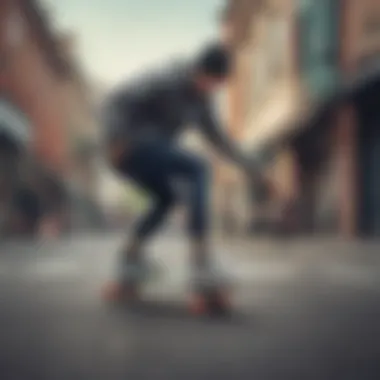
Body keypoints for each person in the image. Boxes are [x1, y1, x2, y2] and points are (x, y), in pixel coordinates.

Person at [102, 42, 274, 310]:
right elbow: (117, 99)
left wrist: (253, 166)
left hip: (149, 153)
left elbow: (220, 140)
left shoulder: (201, 103)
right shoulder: (168, 78)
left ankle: (129, 257)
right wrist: (115, 138)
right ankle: (200, 260)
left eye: (217, 85)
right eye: (210, 81)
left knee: (166, 199)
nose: (211, 89)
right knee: (198, 168)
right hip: (129, 145)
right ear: (199, 69)